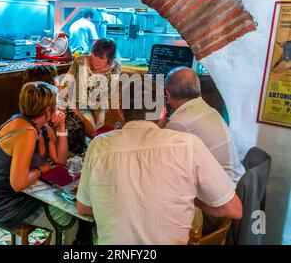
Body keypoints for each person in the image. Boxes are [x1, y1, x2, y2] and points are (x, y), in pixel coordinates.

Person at [76, 81, 242, 244]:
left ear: (120, 111)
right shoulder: (188, 144)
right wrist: (193, 200)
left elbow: (83, 208)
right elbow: (234, 210)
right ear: (163, 112)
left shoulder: (98, 145)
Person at [0, 82, 78, 244]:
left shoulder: (41, 127)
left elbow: (60, 160)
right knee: (68, 220)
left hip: (27, 195)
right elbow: (18, 183)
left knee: (68, 205)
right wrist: (42, 169)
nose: (58, 108)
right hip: (6, 205)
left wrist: (61, 127)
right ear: (47, 110)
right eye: (55, 105)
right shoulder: (25, 132)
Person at [162, 67, 245, 183]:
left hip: (223, 189)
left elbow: (169, 163)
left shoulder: (180, 123)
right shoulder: (208, 109)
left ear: (167, 94)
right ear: (198, 89)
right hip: (235, 180)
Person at [60, 38, 122, 135]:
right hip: (79, 105)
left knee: (98, 133)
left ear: (110, 59)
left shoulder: (116, 67)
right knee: (91, 131)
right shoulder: (81, 62)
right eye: (94, 55)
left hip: (99, 105)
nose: (96, 61)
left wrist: (100, 110)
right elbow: (65, 86)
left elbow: (109, 92)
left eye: (101, 58)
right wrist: (71, 108)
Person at [22, 64, 87, 155]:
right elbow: (60, 157)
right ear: (47, 87)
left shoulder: (62, 99)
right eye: (56, 79)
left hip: (84, 151)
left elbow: (89, 128)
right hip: (71, 161)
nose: (60, 83)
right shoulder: (41, 117)